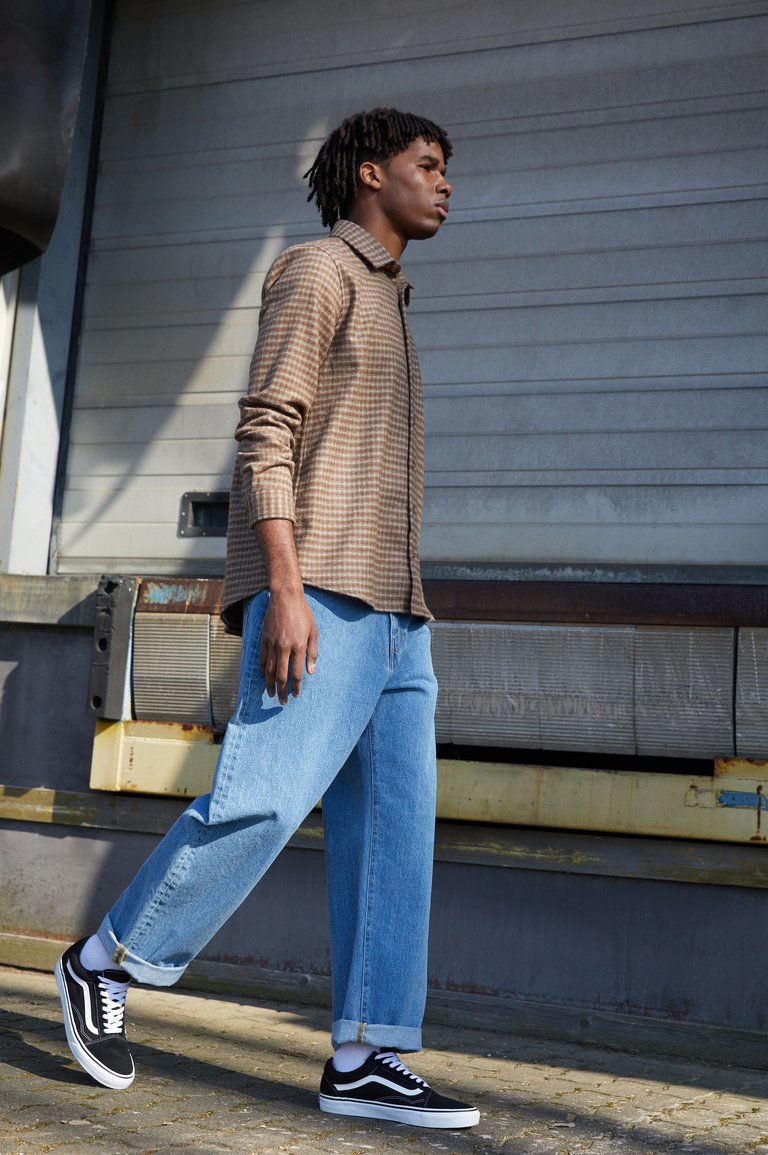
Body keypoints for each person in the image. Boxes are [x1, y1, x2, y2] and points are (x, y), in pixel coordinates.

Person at [54, 108, 480, 1129]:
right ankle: (104, 958)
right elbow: (265, 432)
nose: (445, 184)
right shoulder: (316, 272)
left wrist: (400, 618)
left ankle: (365, 1054)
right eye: (427, 165)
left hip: (397, 612)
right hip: (320, 592)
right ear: (369, 173)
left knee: (394, 833)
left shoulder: (391, 298)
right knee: (263, 801)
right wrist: (283, 589)